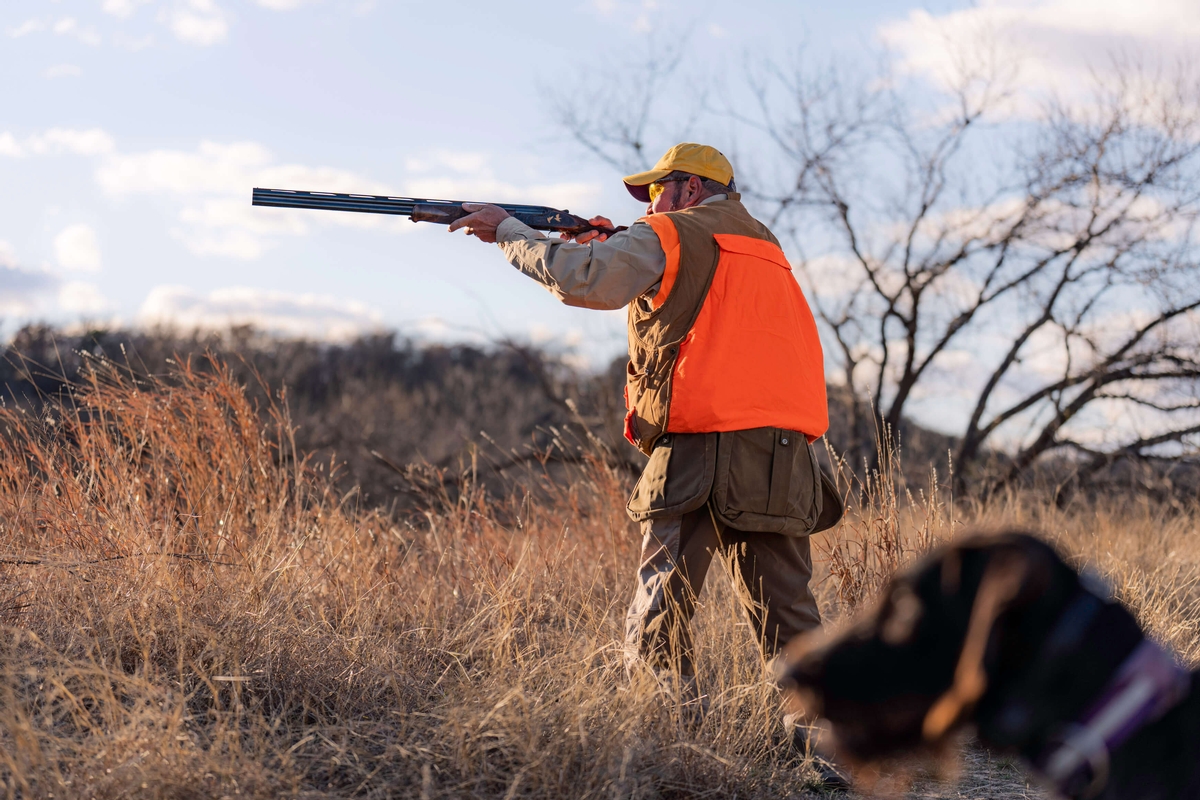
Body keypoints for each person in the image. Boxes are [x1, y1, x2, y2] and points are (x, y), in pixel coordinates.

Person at [450, 143, 846, 787]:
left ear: (689, 188)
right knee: (790, 614)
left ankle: (664, 754)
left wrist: (511, 235)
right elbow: (697, 300)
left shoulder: (671, 230)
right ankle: (827, 751)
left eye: (658, 192)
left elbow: (589, 281)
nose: (651, 208)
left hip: (702, 446)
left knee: (662, 606)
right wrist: (610, 240)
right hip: (784, 452)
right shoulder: (765, 245)